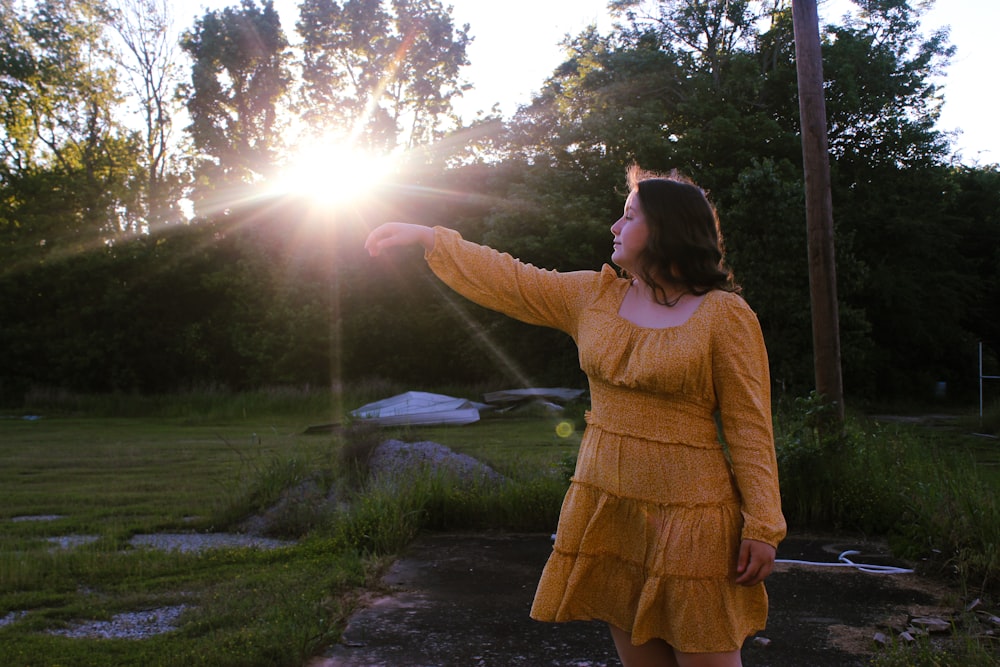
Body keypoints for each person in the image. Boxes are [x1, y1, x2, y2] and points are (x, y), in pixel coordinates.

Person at [364, 165, 786, 667]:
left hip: (692, 519)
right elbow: (514, 281)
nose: (614, 226)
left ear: (668, 230)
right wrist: (432, 239)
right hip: (611, 508)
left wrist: (763, 524)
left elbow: (750, 427)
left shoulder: (725, 316)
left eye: (629, 217)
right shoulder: (594, 297)